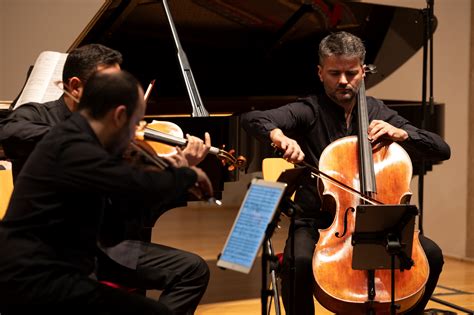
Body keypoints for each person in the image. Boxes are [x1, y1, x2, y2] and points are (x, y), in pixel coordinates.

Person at [241, 31, 451, 315]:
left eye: (351, 73)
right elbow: (252, 118)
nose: (343, 80)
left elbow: (441, 149)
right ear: (320, 72)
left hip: (378, 223)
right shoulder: (308, 110)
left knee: (433, 255)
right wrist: (279, 136)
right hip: (318, 223)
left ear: (363, 72)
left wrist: (401, 133)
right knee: (298, 261)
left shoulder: (377, 111)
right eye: (334, 73)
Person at [0, 44, 212, 315]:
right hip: (41, 266)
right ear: (75, 87)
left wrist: (171, 170)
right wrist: (182, 176)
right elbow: (11, 132)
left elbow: (128, 208)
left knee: (191, 270)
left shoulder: (90, 139)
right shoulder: (65, 135)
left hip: (100, 247)